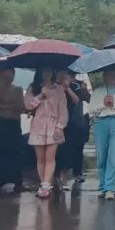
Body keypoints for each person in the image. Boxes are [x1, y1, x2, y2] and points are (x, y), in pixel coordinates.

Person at [25, 70, 69, 199]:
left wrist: (60, 127)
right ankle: (42, 183)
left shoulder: (59, 89)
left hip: (53, 126)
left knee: (50, 157)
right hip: (38, 126)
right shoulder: (33, 87)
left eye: (49, 70)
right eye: (44, 70)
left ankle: (46, 185)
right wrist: (40, 96)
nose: (47, 73)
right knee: (40, 158)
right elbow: (28, 106)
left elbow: (63, 109)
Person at [90, 68, 115, 199]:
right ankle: (103, 186)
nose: (112, 78)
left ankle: (110, 188)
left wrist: (113, 105)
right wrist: (103, 104)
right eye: (109, 75)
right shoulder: (98, 91)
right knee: (102, 156)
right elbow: (91, 109)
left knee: (114, 155)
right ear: (104, 76)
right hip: (101, 122)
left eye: (114, 75)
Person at [0, 67, 25, 194]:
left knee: (15, 151)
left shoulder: (17, 89)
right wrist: (4, 106)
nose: (10, 77)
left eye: (12, 74)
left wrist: (3, 106)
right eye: (8, 74)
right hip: (0, 123)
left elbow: (20, 107)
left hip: (13, 123)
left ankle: (17, 180)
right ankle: (0, 180)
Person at [58, 72, 90, 192]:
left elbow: (79, 100)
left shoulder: (78, 85)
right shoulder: (56, 85)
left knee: (77, 148)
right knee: (63, 150)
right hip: (61, 121)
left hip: (76, 121)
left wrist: (69, 88)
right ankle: (62, 176)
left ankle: (77, 172)